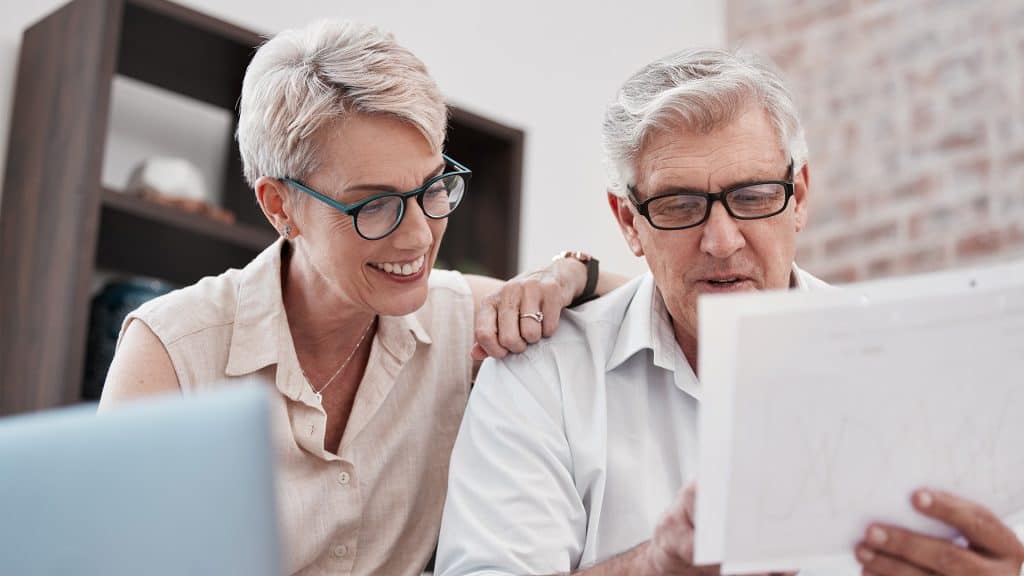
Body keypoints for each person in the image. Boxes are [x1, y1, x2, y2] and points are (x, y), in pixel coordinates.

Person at [435, 48, 1024, 576]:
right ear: (628, 222)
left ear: (799, 197)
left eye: (752, 197)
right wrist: (658, 564)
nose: (721, 240)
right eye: (679, 204)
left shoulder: (917, 368)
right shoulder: (543, 380)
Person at [98, 20, 622, 576]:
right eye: (374, 205)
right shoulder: (172, 354)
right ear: (280, 206)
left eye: (433, 187)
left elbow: (645, 307)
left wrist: (567, 275)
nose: (419, 235)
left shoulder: (456, 318)